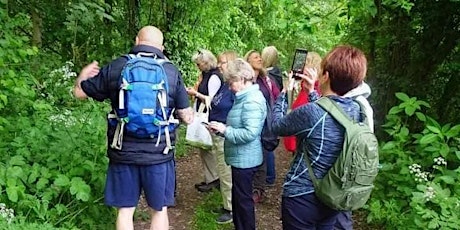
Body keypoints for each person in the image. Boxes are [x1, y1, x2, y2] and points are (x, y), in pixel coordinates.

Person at [73, 26, 193, 230]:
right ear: (162, 47)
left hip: (123, 152)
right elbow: (186, 116)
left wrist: (83, 76)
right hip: (159, 154)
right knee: (159, 210)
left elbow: (79, 93)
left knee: (125, 210)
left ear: (137, 40)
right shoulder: (171, 71)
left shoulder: (117, 66)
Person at [270, 45, 373, 229]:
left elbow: (277, 126)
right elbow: (331, 112)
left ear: (325, 76)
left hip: (302, 197)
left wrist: (284, 93)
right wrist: (312, 93)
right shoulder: (358, 110)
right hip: (333, 195)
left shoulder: (312, 112)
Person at [208, 58, 267, 230]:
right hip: (240, 158)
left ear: (241, 79)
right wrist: (221, 129)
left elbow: (250, 133)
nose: (229, 86)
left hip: (246, 160)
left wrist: (225, 130)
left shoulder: (252, 101)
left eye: (230, 81)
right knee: (239, 200)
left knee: (243, 203)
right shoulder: (244, 98)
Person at [245, 50, 280, 202]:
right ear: (248, 61)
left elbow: (277, 95)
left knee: (264, 154)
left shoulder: (266, 79)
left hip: (265, 122)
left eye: (260, 56)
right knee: (250, 152)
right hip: (250, 120)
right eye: (255, 57)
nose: (259, 59)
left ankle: (258, 189)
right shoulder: (245, 78)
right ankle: (249, 185)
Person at [208, 50, 238, 224]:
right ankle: (227, 203)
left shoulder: (234, 88)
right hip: (217, 134)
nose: (219, 65)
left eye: (223, 62)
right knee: (223, 172)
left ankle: (231, 209)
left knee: (227, 175)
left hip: (226, 136)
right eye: (219, 62)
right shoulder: (224, 84)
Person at [187, 49, 222, 192]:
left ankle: (214, 179)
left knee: (209, 149)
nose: (197, 67)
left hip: (208, 116)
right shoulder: (205, 76)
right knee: (205, 148)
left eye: (199, 64)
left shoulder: (214, 77)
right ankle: (211, 178)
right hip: (203, 113)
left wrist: (195, 93)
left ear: (206, 63)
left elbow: (211, 100)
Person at [283, 51, 322, 154]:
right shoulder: (306, 89)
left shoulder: (313, 92)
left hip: (304, 149)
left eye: (302, 65)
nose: (298, 69)